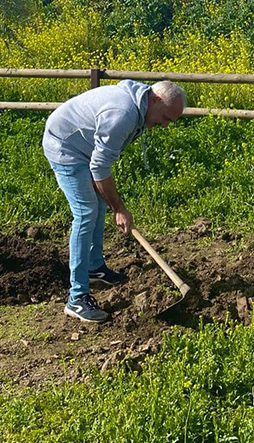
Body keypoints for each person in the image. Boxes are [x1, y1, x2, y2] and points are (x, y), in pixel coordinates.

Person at [43, 79, 186, 323]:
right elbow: (99, 167)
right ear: (154, 100)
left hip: (84, 148)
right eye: (165, 118)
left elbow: (100, 164)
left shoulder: (141, 104)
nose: (163, 125)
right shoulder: (123, 114)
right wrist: (119, 208)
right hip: (65, 146)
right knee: (86, 212)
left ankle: (94, 268)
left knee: (98, 204)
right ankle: (76, 298)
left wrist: (112, 203)